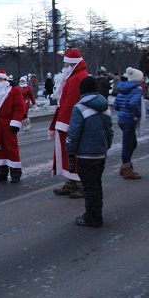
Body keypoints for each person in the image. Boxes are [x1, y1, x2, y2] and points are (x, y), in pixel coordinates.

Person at [66, 76, 113, 227]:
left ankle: (93, 217)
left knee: (89, 186)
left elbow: (74, 133)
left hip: (86, 154)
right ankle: (95, 214)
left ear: (82, 90)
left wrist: (70, 150)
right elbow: (109, 131)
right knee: (96, 184)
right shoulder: (105, 106)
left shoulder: (79, 108)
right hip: (101, 153)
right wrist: (106, 146)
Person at [48, 49, 88, 198]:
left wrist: (68, 122)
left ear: (72, 64)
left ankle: (81, 185)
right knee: (68, 155)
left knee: (76, 155)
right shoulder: (72, 77)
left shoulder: (78, 78)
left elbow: (73, 103)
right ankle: (71, 183)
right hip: (66, 121)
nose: (64, 67)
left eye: (67, 64)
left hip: (72, 122)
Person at [112, 67, 146, 180]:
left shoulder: (123, 88)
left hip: (122, 119)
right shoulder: (137, 89)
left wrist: (122, 109)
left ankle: (126, 165)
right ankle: (126, 168)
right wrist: (138, 114)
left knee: (132, 143)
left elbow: (116, 104)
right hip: (129, 119)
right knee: (128, 144)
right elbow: (133, 103)